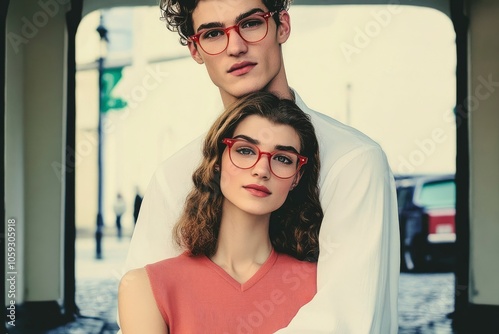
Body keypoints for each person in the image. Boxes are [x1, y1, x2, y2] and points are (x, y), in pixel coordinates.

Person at [122, 0, 400, 332]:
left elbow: (345, 319)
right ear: (196, 49)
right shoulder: (173, 176)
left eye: (251, 24)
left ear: (282, 25)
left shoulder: (353, 161)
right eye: (213, 33)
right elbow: (146, 305)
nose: (236, 47)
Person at [118, 91, 323, 333]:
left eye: (282, 158)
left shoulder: (318, 283)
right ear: (218, 160)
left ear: (297, 177)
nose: (261, 169)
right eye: (245, 150)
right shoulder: (146, 287)